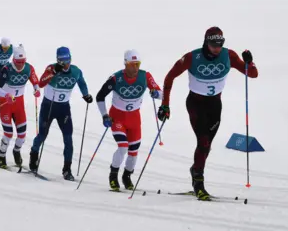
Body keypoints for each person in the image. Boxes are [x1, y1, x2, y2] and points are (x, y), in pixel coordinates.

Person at [158, 27, 258, 200]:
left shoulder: (229, 56)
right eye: (213, 45)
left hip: (214, 106)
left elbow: (253, 74)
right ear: (206, 42)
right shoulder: (192, 57)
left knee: (206, 146)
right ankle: (198, 182)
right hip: (196, 104)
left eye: (220, 44)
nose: (216, 48)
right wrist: (165, 105)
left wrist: (249, 62)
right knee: (203, 142)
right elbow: (169, 77)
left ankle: (196, 169)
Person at [95, 49, 162, 191]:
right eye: (132, 64)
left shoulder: (145, 76)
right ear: (125, 63)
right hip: (117, 117)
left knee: (134, 151)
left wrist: (155, 93)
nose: (135, 68)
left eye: (137, 64)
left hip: (134, 118)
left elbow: (162, 94)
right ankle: (113, 176)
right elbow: (100, 96)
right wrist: (105, 115)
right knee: (123, 147)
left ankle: (127, 176)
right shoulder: (116, 78)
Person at [29, 47, 92, 181]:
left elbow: (81, 82)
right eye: (62, 61)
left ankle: (67, 169)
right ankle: (33, 157)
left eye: (67, 60)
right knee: (42, 135)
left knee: (68, 138)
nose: (65, 64)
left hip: (64, 108)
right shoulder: (51, 69)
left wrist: (86, 95)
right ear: (57, 60)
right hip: (48, 106)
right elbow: (41, 83)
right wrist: (52, 73)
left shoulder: (76, 71)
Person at [0, 45, 39, 169]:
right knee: (8, 134)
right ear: (13, 60)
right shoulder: (7, 69)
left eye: (22, 62)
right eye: (18, 62)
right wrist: (6, 94)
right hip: (6, 103)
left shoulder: (28, 68)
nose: (20, 65)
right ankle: (2, 156)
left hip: (19, 103)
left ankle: (16, 151)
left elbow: (35, 80)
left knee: (22, 134)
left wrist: (36, 89)